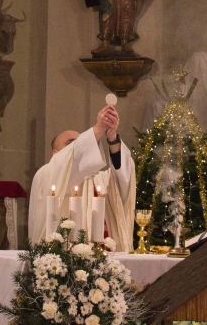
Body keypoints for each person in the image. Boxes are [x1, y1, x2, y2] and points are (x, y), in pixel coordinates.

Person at [28, 103, 135, 252]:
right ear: (55, 154)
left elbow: (123, 178)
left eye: (82, 143)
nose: (83, 148)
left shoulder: (99, 180)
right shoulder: (45, 174)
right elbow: (70, 158)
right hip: (59, 258)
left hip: (101, 256)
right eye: (72, 144)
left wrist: (112, 139)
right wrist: (99, 128)